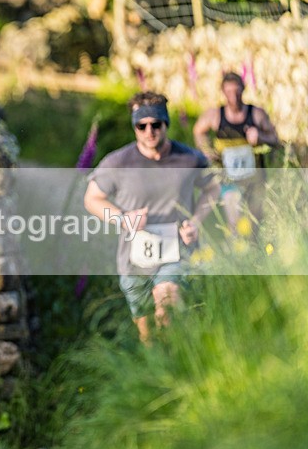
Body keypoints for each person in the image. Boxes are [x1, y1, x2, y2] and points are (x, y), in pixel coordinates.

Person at [84, 92, 219, 345]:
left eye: (156, 124)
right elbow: (92, 199)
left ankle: (178, 358)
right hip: (134, 260)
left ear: (166, 123)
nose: (149, 131)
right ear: (134, 126)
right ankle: (157, 360)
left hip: (177, 253)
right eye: (141, 126)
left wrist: (196, 221)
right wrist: (123, 219)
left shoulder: (189, 159)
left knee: (167, 303)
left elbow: (213, 188)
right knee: (147, 335)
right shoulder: (118, 162)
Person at [192, 72, 279, 235]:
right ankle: (237, 248)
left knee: (256, 222)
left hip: (254, 178)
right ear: (223, 92)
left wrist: (260, 137)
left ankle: (255, 248)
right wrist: (206, 150)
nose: (234, 96)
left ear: (243, 89)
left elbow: (275, 139)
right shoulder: (215, 115)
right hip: (230, 178)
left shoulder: (256, 114)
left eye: (237, 91)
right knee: (234, 223)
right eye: (229, 91)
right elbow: (198, 130)